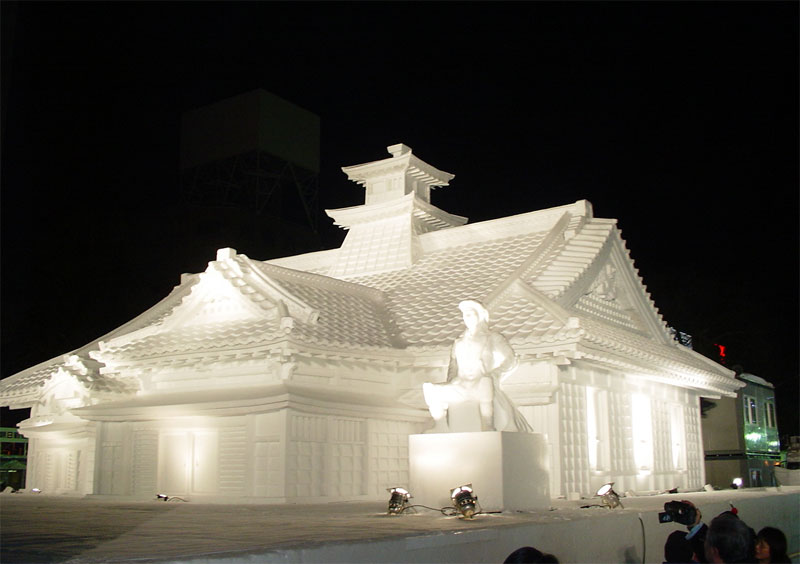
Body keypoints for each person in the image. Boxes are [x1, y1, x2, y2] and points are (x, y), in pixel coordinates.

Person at [423, 300, 532, 433]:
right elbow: (453, 369)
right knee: (430, 389)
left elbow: (511, 360)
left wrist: (494, 374)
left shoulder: (492, 338)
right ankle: (440, 425)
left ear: (480, 316)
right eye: (465, 315)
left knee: (485, 384)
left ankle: (488, 424)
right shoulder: (459, 342)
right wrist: (450, 383)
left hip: (481, 384)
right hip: (461, 385)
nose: (467, 318)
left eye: (471, 314)